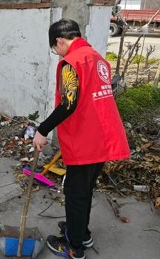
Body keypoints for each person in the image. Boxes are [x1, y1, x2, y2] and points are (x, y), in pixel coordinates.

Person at [33, 19, 130, 259]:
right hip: (102, 138)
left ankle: (75, 247)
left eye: (55, 49)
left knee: (76, 194)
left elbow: (68, 104)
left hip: (85, 141)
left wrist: (42, 130)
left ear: (60, 41)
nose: (57, 54)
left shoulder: (71, 63)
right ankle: (81, 232)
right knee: (85, 190)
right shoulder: (97, 59)